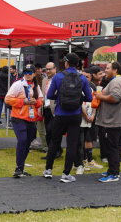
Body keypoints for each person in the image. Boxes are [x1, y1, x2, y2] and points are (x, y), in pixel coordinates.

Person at [43, 53, 92, 183]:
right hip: (75, 115)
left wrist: (60, 97)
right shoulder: (82, 78)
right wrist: (77, 99)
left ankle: (48, 170)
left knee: (54, 141)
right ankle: (66, 174)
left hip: (60, 114)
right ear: (77, 64)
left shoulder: (58, 77)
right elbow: (89, 98)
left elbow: (49, 95)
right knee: (72, 144)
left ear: (66, 63)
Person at [5, 64, 44, 178]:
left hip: (31, 119)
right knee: (22, 141)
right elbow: (8, 99)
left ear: (34, 73)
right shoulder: (18, 84)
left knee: (27, 145)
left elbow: (40, 100)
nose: (27, 74)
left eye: (30, 72)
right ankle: (18, 168)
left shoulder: (35, 86)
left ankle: (21, 168)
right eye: (25, 72)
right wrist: (25, 101)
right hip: (18, 118)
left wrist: (35, 102)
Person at [95, 61, 121, 182]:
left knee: (111, 147)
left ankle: (114, 174)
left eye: (108, 68)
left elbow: (115, 97)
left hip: (113, 121)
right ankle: (112, 170)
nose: (105, 71)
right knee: (112, 147)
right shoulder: (117, 80)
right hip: (114, 120)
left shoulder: (116, 81)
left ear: (115, 70)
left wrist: (101, 97)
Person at [73, 68, 99, 174]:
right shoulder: (77, 88)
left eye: (87, 77)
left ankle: (79, 163)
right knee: (79, 143)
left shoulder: (91, 89)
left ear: (90, 78)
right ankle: (79, 164)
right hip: (80, 119)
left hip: (88, 119)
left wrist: (92, 115)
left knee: (83, 142)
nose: (85, 78)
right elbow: (79, 104)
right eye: (83, 76)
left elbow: (94, 103)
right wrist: (86, 115)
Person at [40, 62, 57, 155]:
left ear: (55, 69)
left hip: (54, 109)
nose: (48, 71)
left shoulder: (59, 79)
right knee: (47, 131)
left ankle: (55, 151)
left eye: (50, 69)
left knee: (52, 130)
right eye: (46, 69)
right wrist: (40, 108)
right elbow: (43, 94)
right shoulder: (44, 80)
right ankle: (51, 152)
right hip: (45, 108)